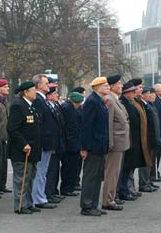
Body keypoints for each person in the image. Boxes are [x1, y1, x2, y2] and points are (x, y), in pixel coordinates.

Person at [7, 81, 42, 215]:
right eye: (33, 90)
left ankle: (28, 203)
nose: (35, 92)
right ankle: (20, 205)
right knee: (21, 179)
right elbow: (12, 129)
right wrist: (23, 144)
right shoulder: (18, 106)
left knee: (30, 178)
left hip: (32, 150)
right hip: (21, 151)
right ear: (26, 92)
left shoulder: (31, 107)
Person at [80, 77, 110, 216]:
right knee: (90, 177)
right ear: (97, 87)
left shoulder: (99, 101)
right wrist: (84, 147)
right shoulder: (92, 101)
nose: (108, 87)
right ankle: (86, 206)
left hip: (100, 145)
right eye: (105, 85)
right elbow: (86, 126)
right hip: (92, 146)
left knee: (98, 176)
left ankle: (93, 204)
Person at [102, 75, 130, 211]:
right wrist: (110, 142)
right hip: (115, 143)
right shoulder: (109, 100)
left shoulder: (115, 99)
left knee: (115, 172)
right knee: (111, 173)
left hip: (120, 142)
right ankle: (108, 200)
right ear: (112, 86)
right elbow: (108, 124)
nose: (121, 86)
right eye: (119, 84)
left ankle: (111, 198)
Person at [31, 74, 58, 210]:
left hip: (48, 141)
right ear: (38, 85)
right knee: (40, 171)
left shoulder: (43, 100)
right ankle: (38, 198)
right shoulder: (38, 100)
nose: (49, 85)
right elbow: (40, 123)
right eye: (46, 83)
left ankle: (40, 196)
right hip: (43, 142)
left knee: (43, 171)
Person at [59, 92, 83, 200]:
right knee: (68, 167)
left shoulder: (72, 108)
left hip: (74, 142)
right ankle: (66, 188)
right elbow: (70, 127)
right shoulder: (68, 109)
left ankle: (70, 187)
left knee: (73, 167)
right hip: (70, 143)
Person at [0, 79, 12, 193]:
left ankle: (1, 185)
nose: (8, 88)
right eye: (5, 86)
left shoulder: (5, 101)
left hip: (5, 136)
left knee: (4, 162)